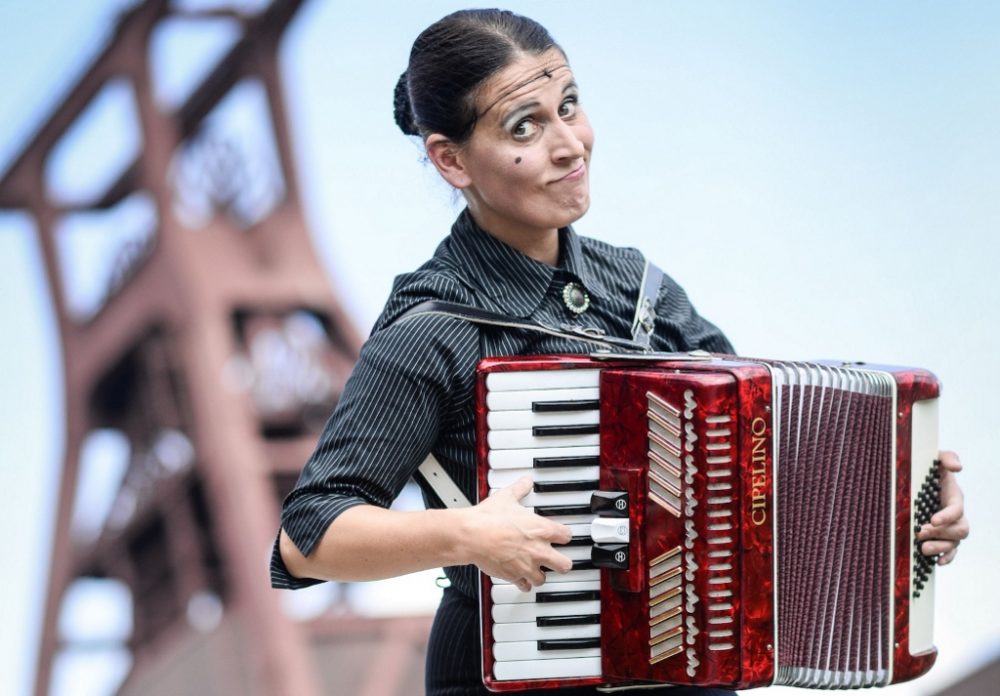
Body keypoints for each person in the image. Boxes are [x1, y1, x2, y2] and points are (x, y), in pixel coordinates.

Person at [270, 9, 969, 696]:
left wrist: (903, 504)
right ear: (450, 159)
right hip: (512, 675)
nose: (570, 145)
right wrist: (466, 534)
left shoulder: (640, 289)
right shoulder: (434, 329)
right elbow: (309, 536)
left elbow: (761, 463)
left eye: (569, 106)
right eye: (526, 127)